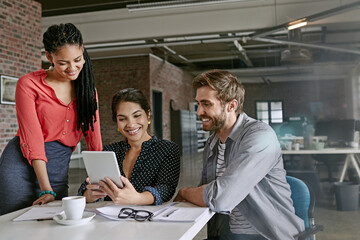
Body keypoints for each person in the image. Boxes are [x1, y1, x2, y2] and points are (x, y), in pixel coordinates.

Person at [174, 70, 304, 240]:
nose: (199, 112)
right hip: (226, 233)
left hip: (266, 234)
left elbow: (220, 198)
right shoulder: (212, 142)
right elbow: (206, 193)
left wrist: (184, 192)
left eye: (207, 104)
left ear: (231, 106)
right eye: (198, 104)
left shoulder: (260, 136)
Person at [0, 23, 102, 215]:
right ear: (49, 57)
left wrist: (100, 177)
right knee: (12, 221)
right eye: (63, 62)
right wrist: (46, 188)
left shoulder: (87, 91)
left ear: (83, 50)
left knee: (53, 222)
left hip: (59, 163)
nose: (72, 68)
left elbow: (94, 138)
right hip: (21, 163)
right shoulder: (29, 84)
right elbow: (32, 138)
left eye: (78, 59)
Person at [78, 88, 180, 205]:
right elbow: (86, 188)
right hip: (108, 219)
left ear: (148, 114)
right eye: (122, 119)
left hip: (147, 219)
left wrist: (138, 198)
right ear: (116, 121)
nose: (131, 124)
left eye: (137, 115)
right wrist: (88, 195)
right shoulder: (109, 151)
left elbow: (166, 188)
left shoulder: (168, 149)